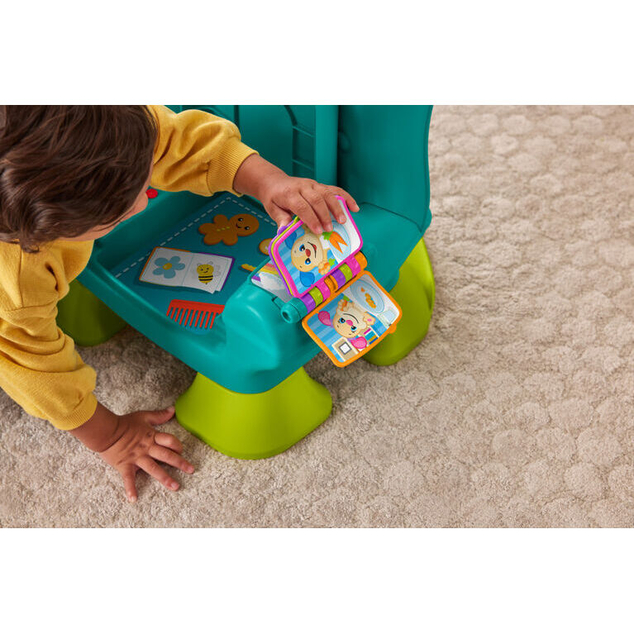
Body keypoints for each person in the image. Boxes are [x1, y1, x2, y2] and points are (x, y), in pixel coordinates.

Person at [0, 105, 359, 502]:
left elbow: (182, 143)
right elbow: (27, 362)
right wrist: (110, 436)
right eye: (120, 212)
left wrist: (270, 183)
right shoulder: (20, 282)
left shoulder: (109, 119)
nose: (142, 203)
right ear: (46, 232)